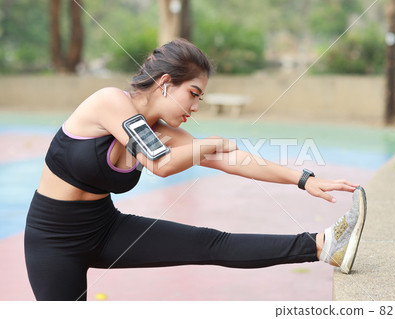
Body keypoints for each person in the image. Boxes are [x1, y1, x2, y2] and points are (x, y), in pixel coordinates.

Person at [24, 38, 367, 301]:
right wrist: (211, 141)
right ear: (165, 83)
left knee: (211, 243)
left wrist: (305, 179)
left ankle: (323, 245)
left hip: (105, 227)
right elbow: (160, 165)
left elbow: (233, 161)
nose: (195, 106)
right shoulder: (109, 101)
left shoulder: (162, 132)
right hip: (53, 239)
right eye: (193, 93)